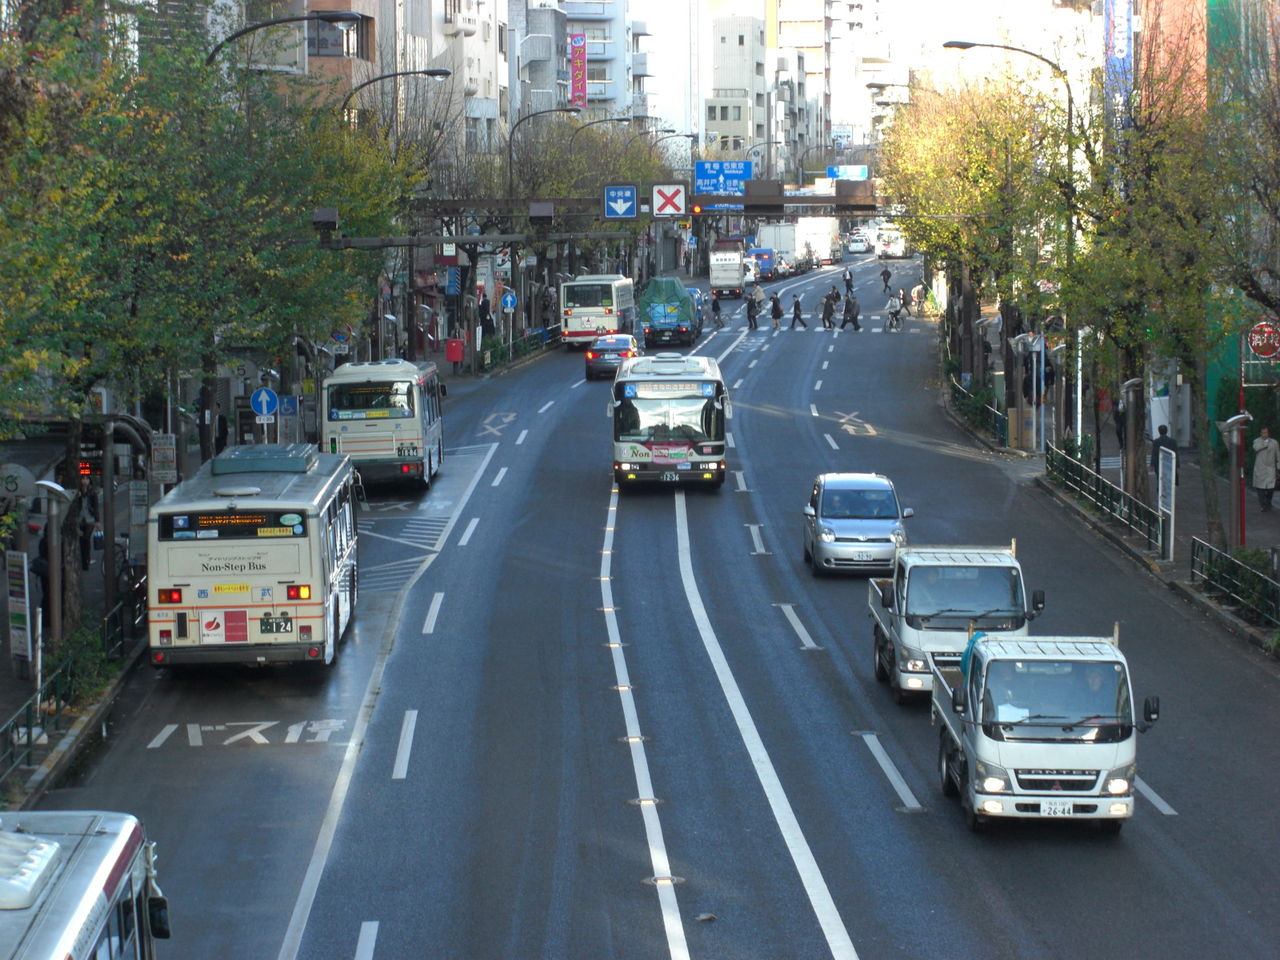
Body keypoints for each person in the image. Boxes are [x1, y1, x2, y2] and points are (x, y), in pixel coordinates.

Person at [74, 474, 99, 571]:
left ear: (89, 480)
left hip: (90, 519)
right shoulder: (78, 491)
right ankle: (83, 560)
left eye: (87, 479)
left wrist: (97, 520)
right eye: (83, 478)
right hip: (80, 519)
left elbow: (96, 506)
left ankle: (86, 560)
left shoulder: (92, 492)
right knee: (81, 541)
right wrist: (78, 497)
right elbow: (75, 505)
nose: (84, 481)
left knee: (86, 539)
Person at [1252, 425, 1280, 512]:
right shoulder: (1256, 441)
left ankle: (1268, 502)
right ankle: (1263, 505)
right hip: (1260, 468)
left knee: (1271, 487)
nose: (1265, 434)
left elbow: (1278, 455)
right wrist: (1265, 443)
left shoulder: (1274, 442)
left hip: (1270, 468)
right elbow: (1256, 448)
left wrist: (1279, 467)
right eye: (1263, 432)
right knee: (1260, 488)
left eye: (1266, 432)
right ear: (1260, 433)